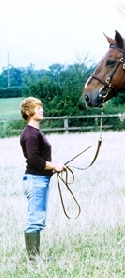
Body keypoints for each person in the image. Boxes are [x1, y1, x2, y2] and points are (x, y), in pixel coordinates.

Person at [20, 97, 64, 263]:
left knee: (37, 218)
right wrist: (55, 165)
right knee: (35, 220)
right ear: (29, 112)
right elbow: (34, 161)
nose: (41, 110)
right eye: (37, 108)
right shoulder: (31, 135)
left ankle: (35, 257)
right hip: (36, 180)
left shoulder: (35, 132)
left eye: (41, 107)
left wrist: (56, 166)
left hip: (39, 180)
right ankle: (34, 259)